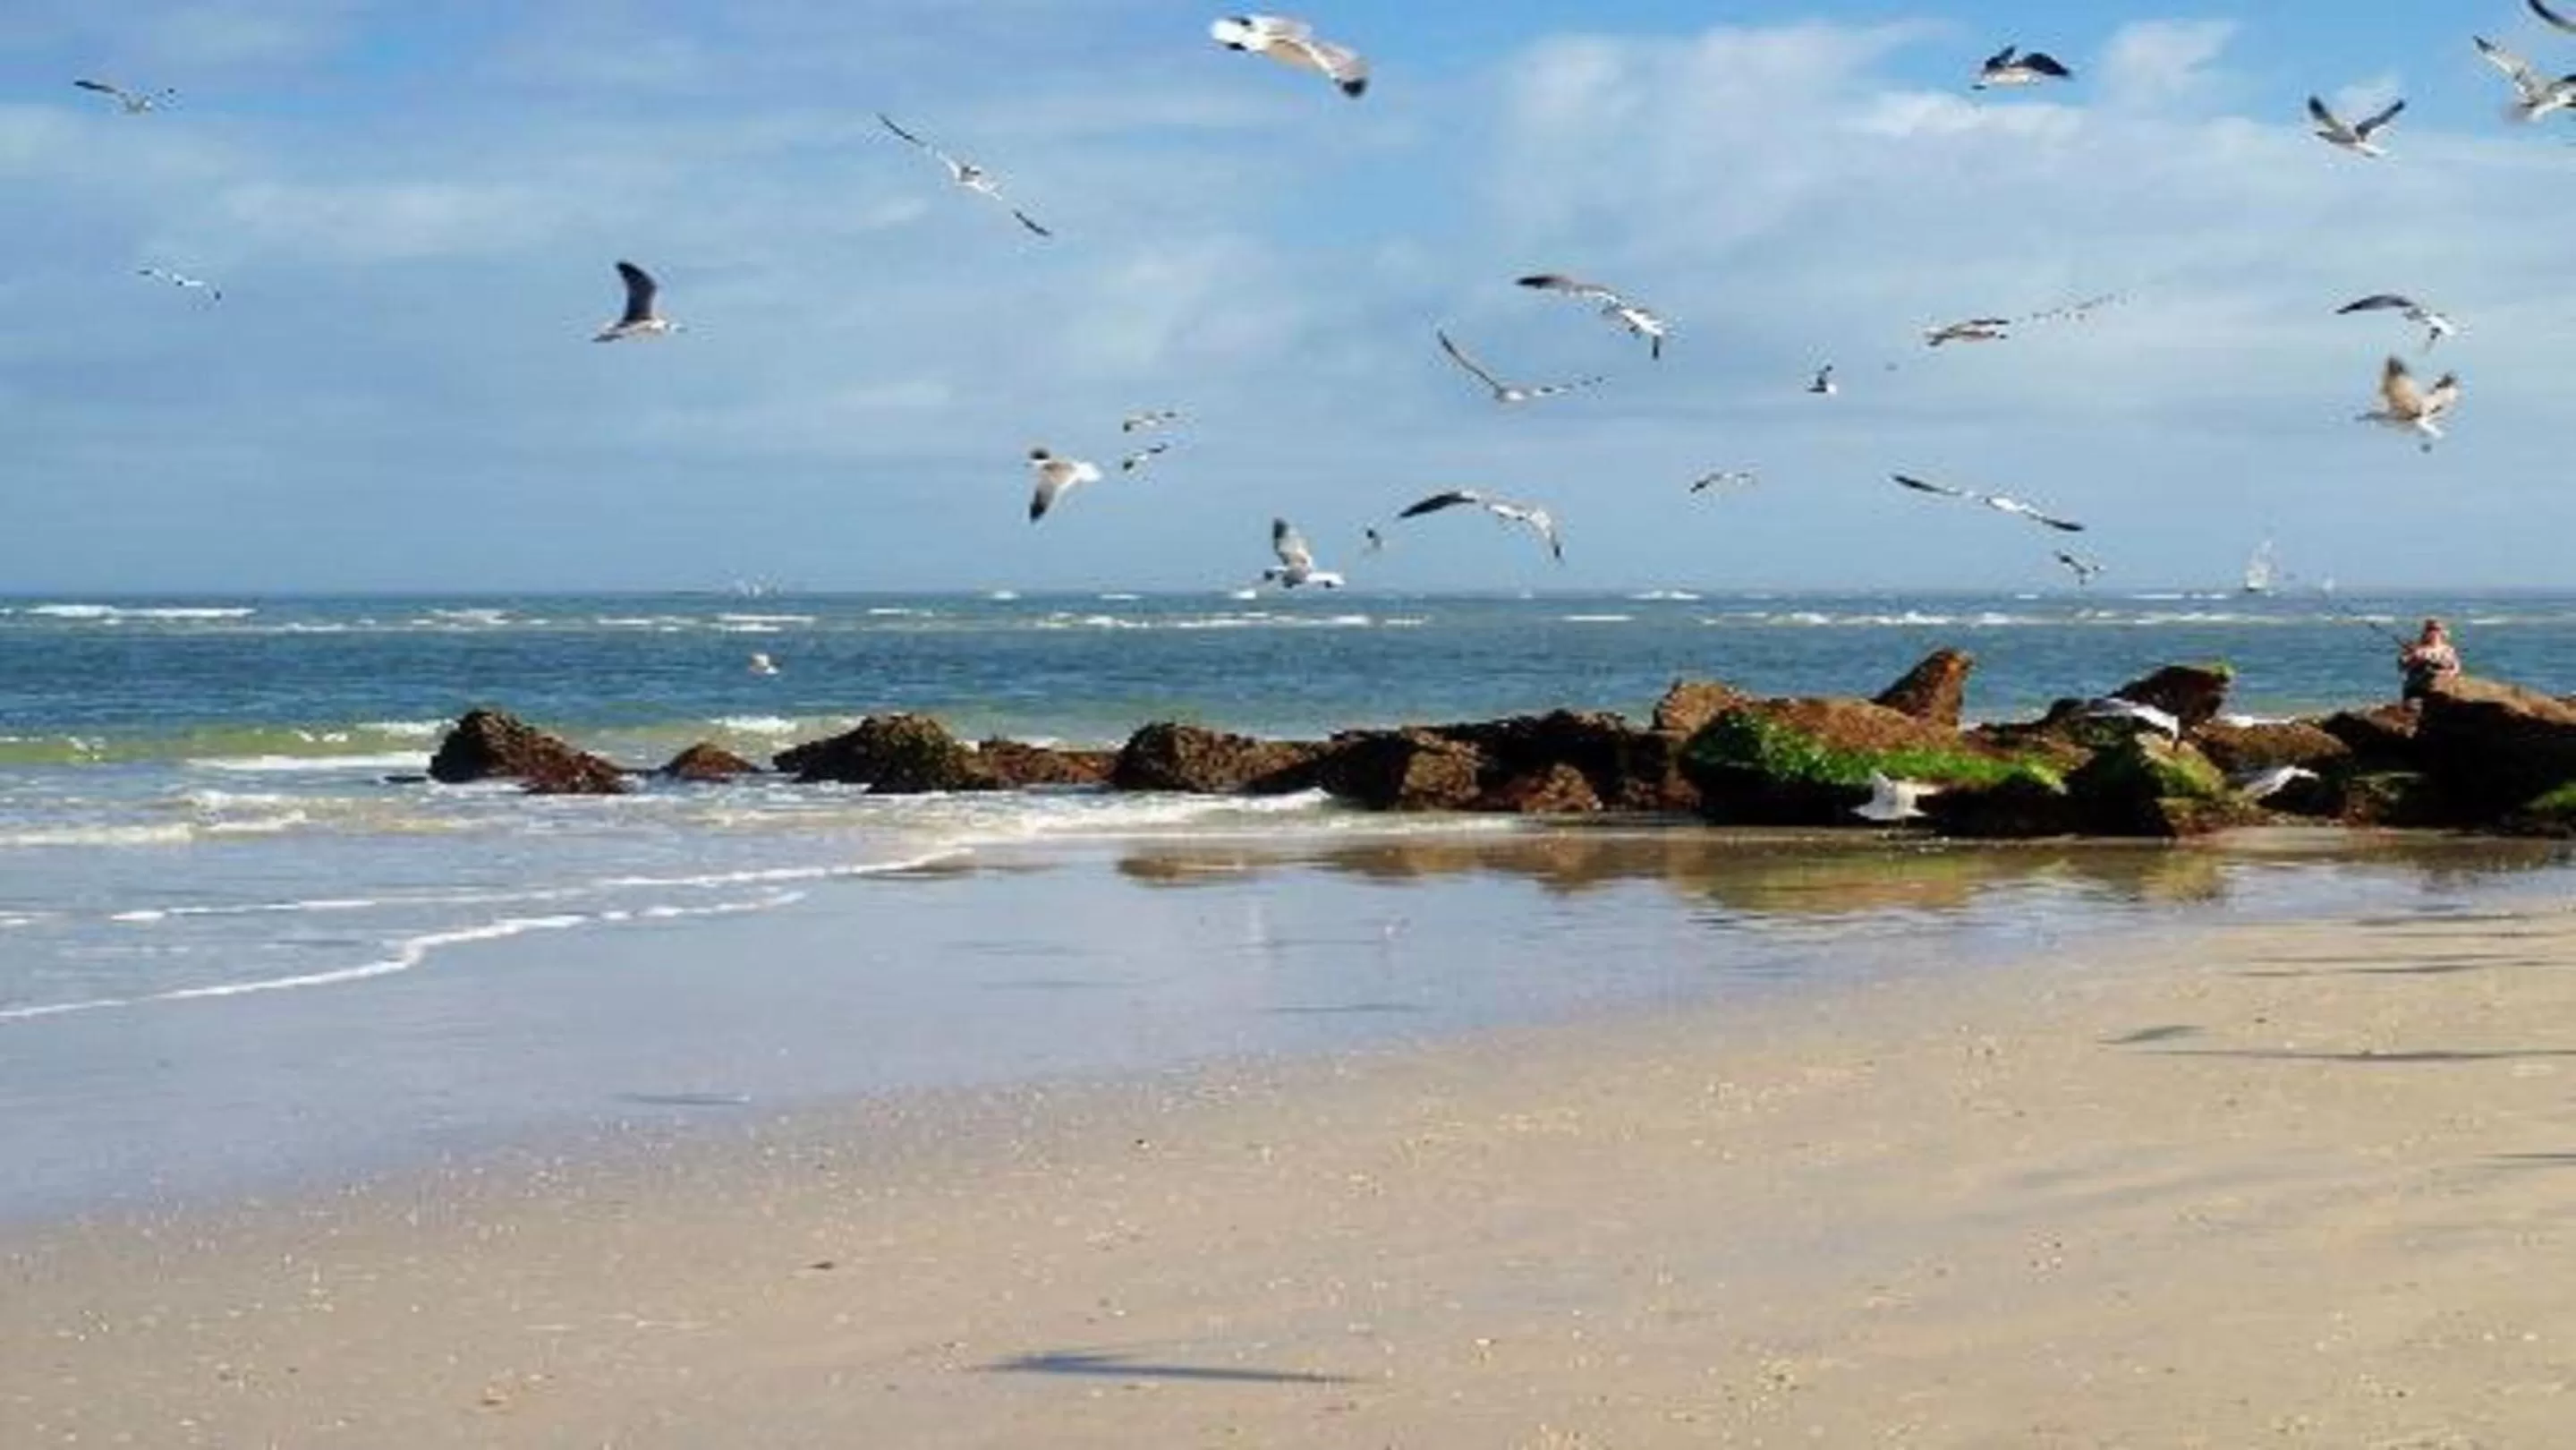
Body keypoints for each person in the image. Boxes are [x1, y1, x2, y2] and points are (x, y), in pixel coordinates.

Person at [2399, 618, 2460, 701]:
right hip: (2417, 689)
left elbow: (2456, 668)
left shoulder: (2448, 650)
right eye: (2430, 629)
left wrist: (2444, 673)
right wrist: (2416, 659)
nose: (2433, 633)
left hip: (2441, 690)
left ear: (2443, 632)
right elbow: (2402, 667)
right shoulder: (2415, 648)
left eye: (2437, 629)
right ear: (2425, 632)